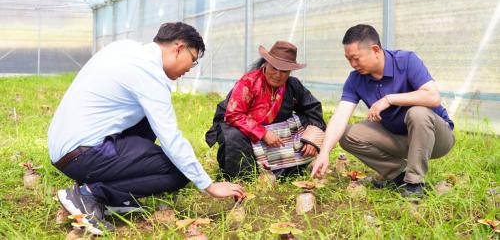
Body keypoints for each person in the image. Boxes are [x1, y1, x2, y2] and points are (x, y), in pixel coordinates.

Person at [48, 22, 245, 235]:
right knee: (178, 172)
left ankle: (110, 192)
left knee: (147, 121)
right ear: (178, 48)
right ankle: (90, 194)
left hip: (66, 148)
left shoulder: (125, 48)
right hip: (81, 155)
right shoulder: (149, 74)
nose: (189, 69)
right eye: (193, 60)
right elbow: (170, 138)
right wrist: (210, 186)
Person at [312, 24, 455, 197]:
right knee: (347, 133)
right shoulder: (355, 79)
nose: (352, 64)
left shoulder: (406, 61)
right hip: (400, 138)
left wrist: (389, 99)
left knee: (417, 113)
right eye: (348, 59)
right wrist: (324, 152)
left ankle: (414, 184)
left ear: (375, 49)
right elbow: (340, 116)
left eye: (356, 58)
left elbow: (433, 97)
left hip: (436, 138)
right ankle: (399, 175)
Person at [206, 41, 326, 180]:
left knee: (306, 122)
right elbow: (234, 115)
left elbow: (312, 108)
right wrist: (263, 133)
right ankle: (245, 178)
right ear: (266, 63)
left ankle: (285, 169)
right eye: (274, 68)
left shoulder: (293, 85)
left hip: (277, 133)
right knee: (233, 136)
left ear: (290, 72)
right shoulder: (248, 82)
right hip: (240, 126)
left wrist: (312, 140)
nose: (278, 74)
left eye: (284, 71)